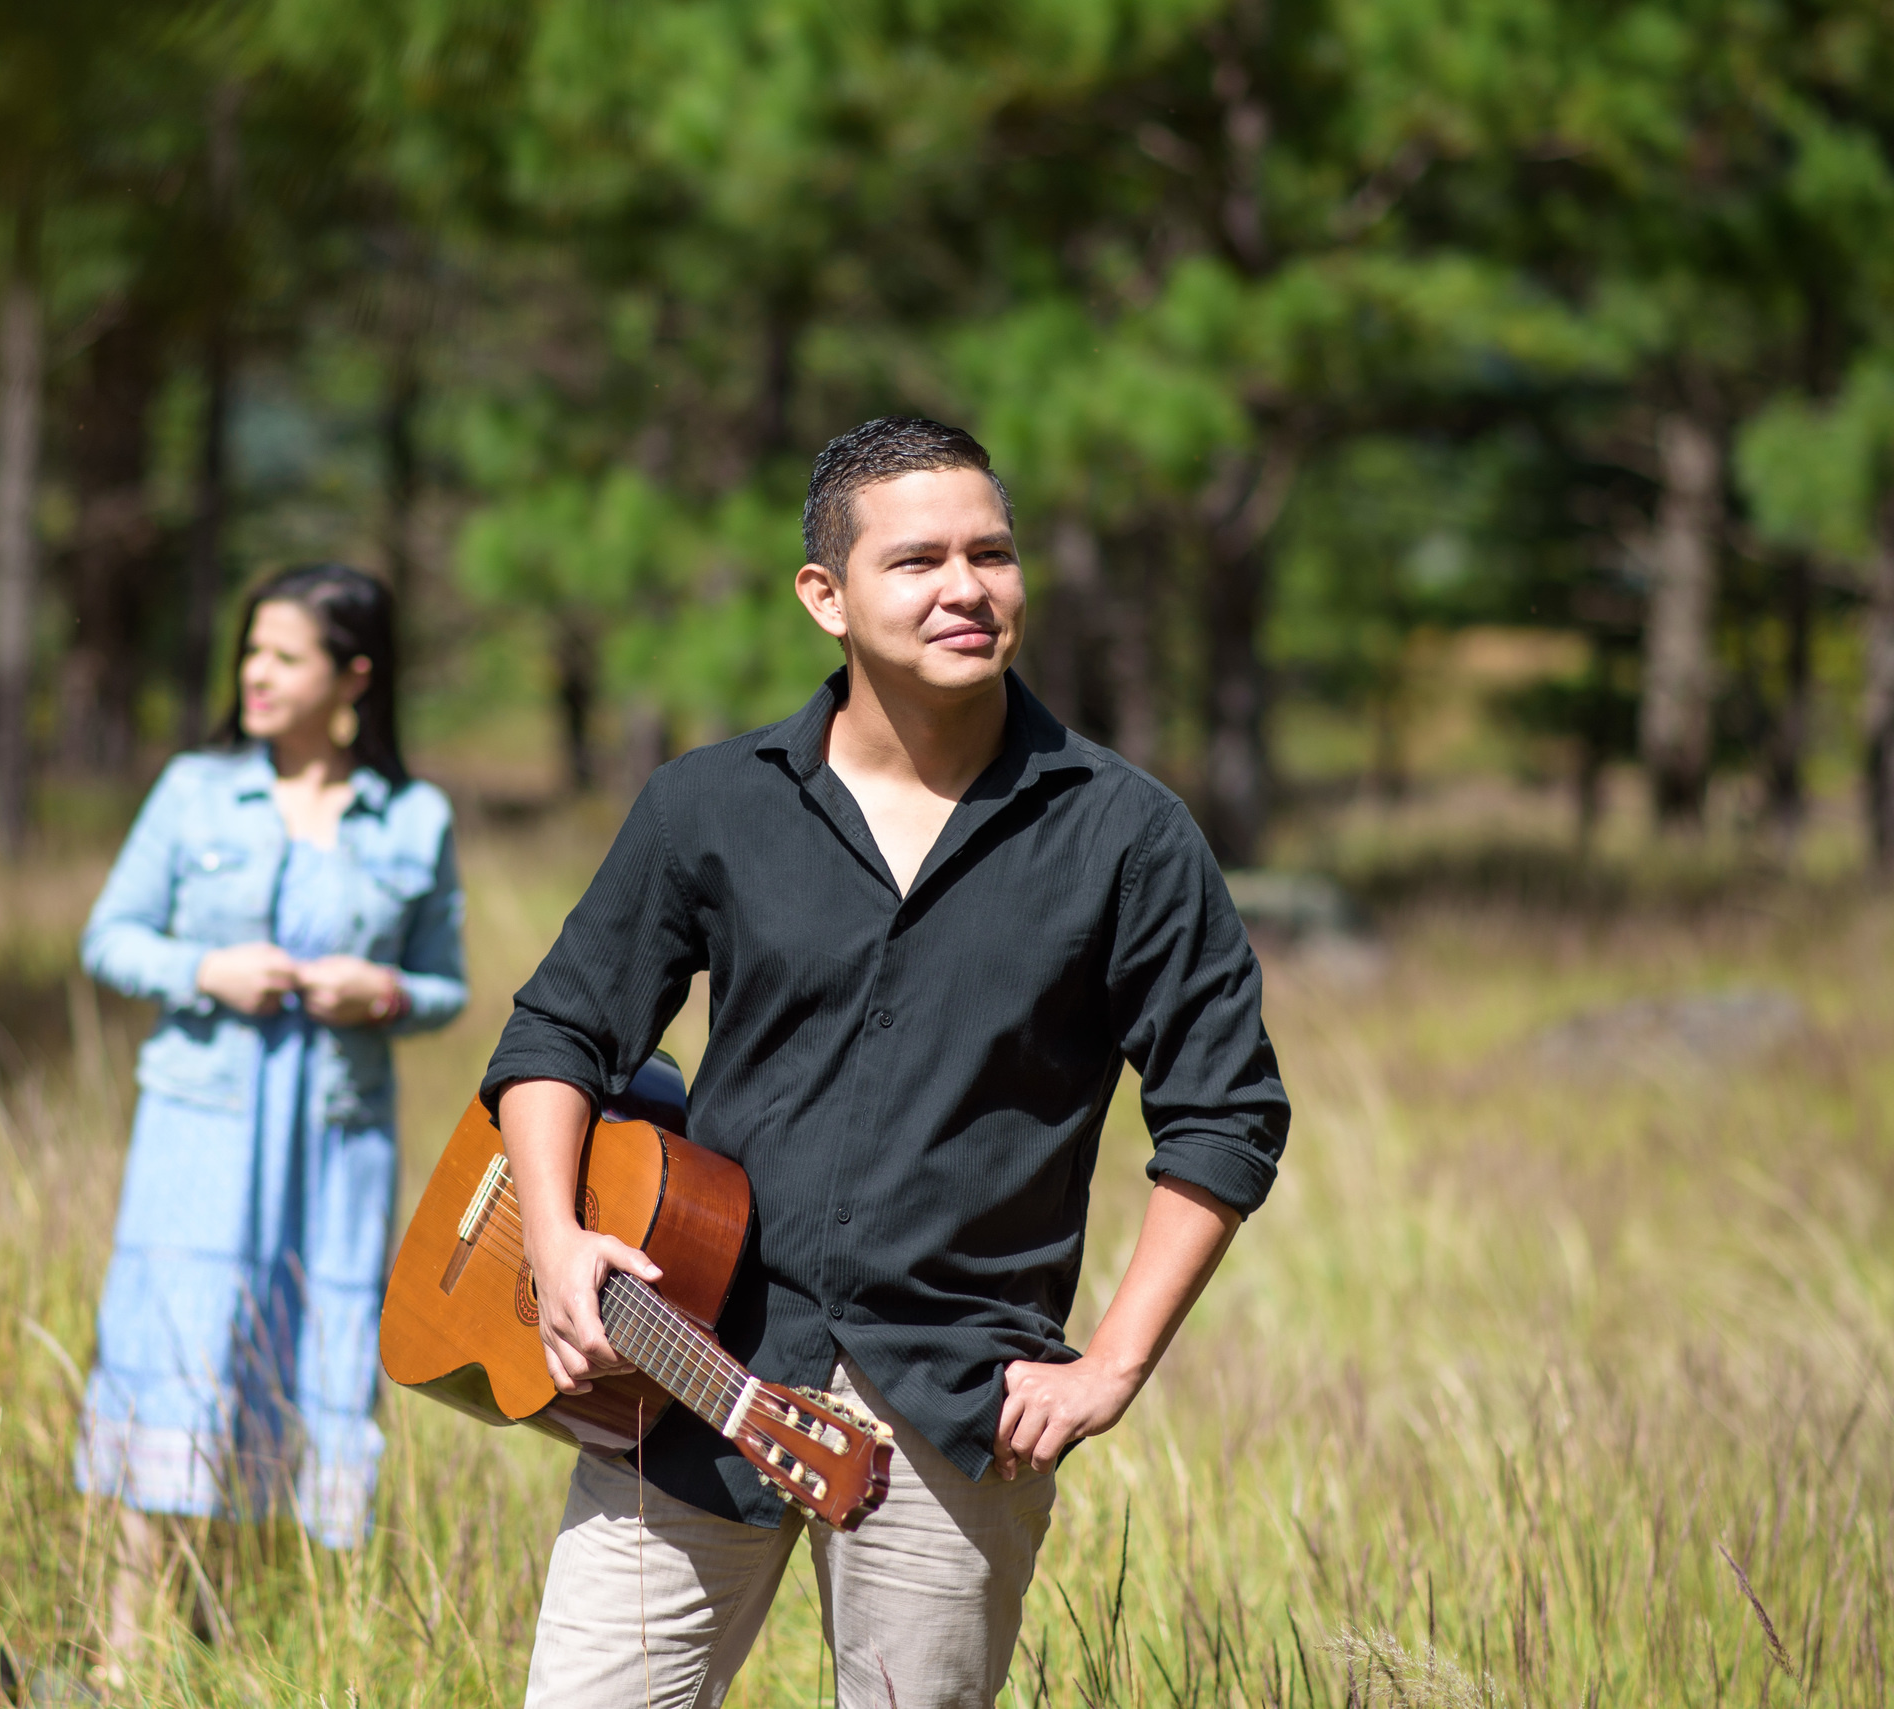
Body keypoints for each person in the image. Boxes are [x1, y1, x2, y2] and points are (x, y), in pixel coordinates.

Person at [485, 418, 1291, 1707]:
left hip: (956, 1404)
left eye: (993, 553)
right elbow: (557, 1034)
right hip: (700, 1365)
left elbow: (1225, 1113)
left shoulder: (1126, 833)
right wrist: (550, 1230)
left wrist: (1115, 1362)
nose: (965, 588)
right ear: (827, 595)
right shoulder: (710, 803)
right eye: (917, 559)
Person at [74, 563, 465, 1660]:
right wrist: (207, 970)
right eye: (250, 651)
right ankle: (123, 1654)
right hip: (198, 1134)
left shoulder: (414, 816)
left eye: (283, 655)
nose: (254, 672)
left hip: (334, 1142)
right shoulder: (195, 789)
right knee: (182, 1351)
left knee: (310, 1359)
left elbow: (443, 983)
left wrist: (378, 992)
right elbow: (108, 936)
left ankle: (239, 1641)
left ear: (353, 674)